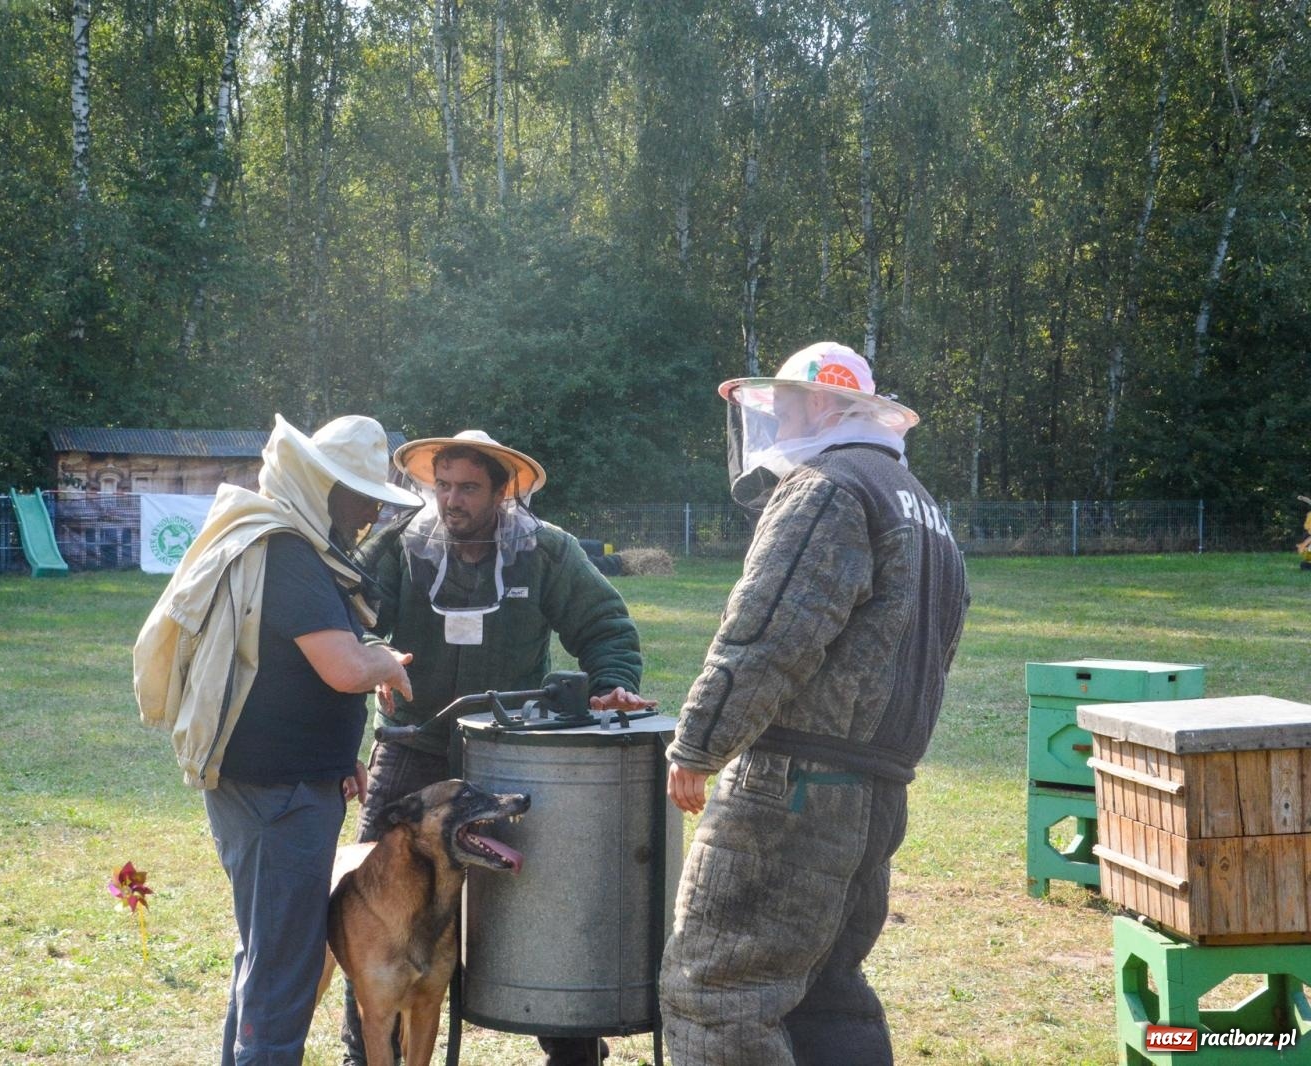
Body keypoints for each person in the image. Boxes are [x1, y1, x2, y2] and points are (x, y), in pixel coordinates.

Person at [658, 342, 969, 1066]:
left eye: (785, 404)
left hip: (793, 785)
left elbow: (767, 632)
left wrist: (698, 744)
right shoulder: (921, 504)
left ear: (824, 403)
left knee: (718, 991)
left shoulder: (826, 488)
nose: (775, 420)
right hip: (877, 789)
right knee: (825, 989)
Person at [340, 430, 654, 1066]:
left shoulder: (545, 549)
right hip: (413, 743)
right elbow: (349, 618)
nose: (451, 500)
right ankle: (367, 1052)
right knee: (375, 901)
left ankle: (571, 1047)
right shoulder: (399, 546)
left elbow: (605, 625)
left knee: (546, 891)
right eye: (442, 485)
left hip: (513, 752)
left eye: (468, 488)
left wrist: (613, 682)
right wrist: (371, 661)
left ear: (503, 490)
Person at [133, 414, 422, 1066]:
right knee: (284, 970)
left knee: (267, 954)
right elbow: (343, 668)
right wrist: (383, 662)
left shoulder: (284, 547)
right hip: (278, 796)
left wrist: (335, 756)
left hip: (282, 785)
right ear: (321, 485)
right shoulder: (288, 554)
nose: (373, 510)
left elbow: (280, 671)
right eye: (362, 493)